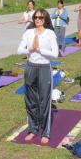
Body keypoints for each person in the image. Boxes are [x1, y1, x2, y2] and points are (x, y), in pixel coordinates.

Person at [17, 9, 58, 144]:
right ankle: (33, 129)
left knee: (44, 100)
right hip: (30, 67)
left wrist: (40, 49)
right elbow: (19, 50)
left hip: (44, 68)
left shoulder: (49, 33)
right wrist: (30, 49)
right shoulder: (28, 32)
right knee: (30, 100)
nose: (38, 19)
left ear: (45, 19)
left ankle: (45, 132)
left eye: (41, 17)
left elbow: (55, 54)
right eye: (36, 17)